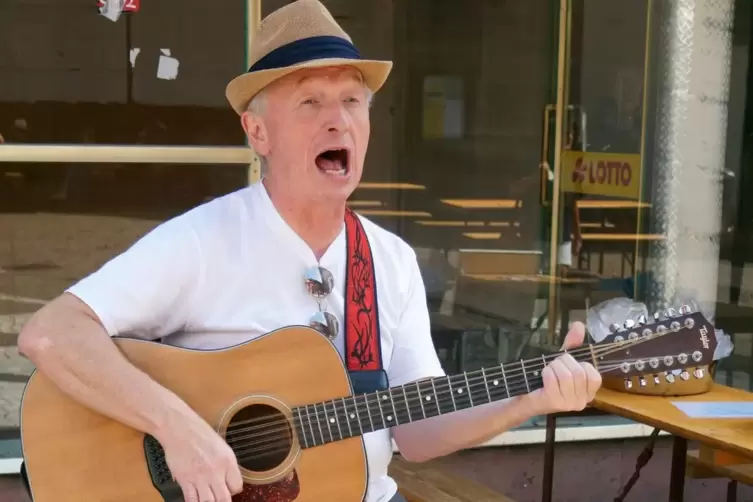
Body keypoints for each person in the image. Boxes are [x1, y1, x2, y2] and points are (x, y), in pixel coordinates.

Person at [17, 1, 602, 501]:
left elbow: (418, 431)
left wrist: (529, 400)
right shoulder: (202, 241)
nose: (337, 122)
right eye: (310, 103)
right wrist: (178, 429)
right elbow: (51, 334)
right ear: (258, 133)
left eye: (352, 101)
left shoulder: (388, 261)